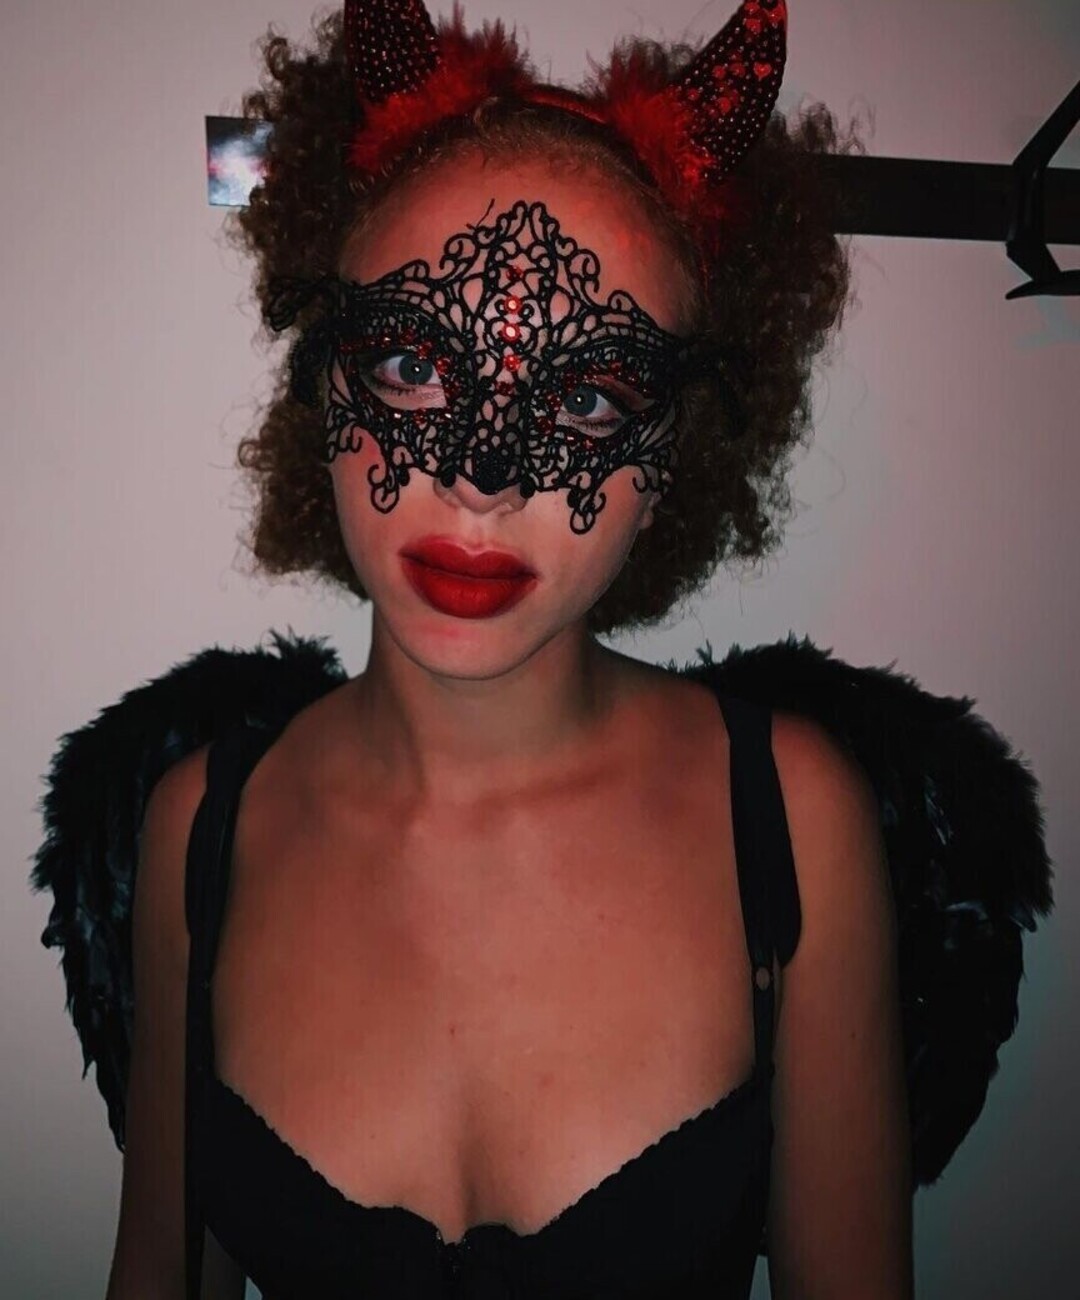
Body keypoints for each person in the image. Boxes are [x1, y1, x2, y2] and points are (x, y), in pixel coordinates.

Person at [29, 2, 1053, 1298]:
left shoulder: (795, 824)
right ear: (319, 379)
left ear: (676, 461)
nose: (484, 474)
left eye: (585, 398)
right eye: (412, 362)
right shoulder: (200, 826)